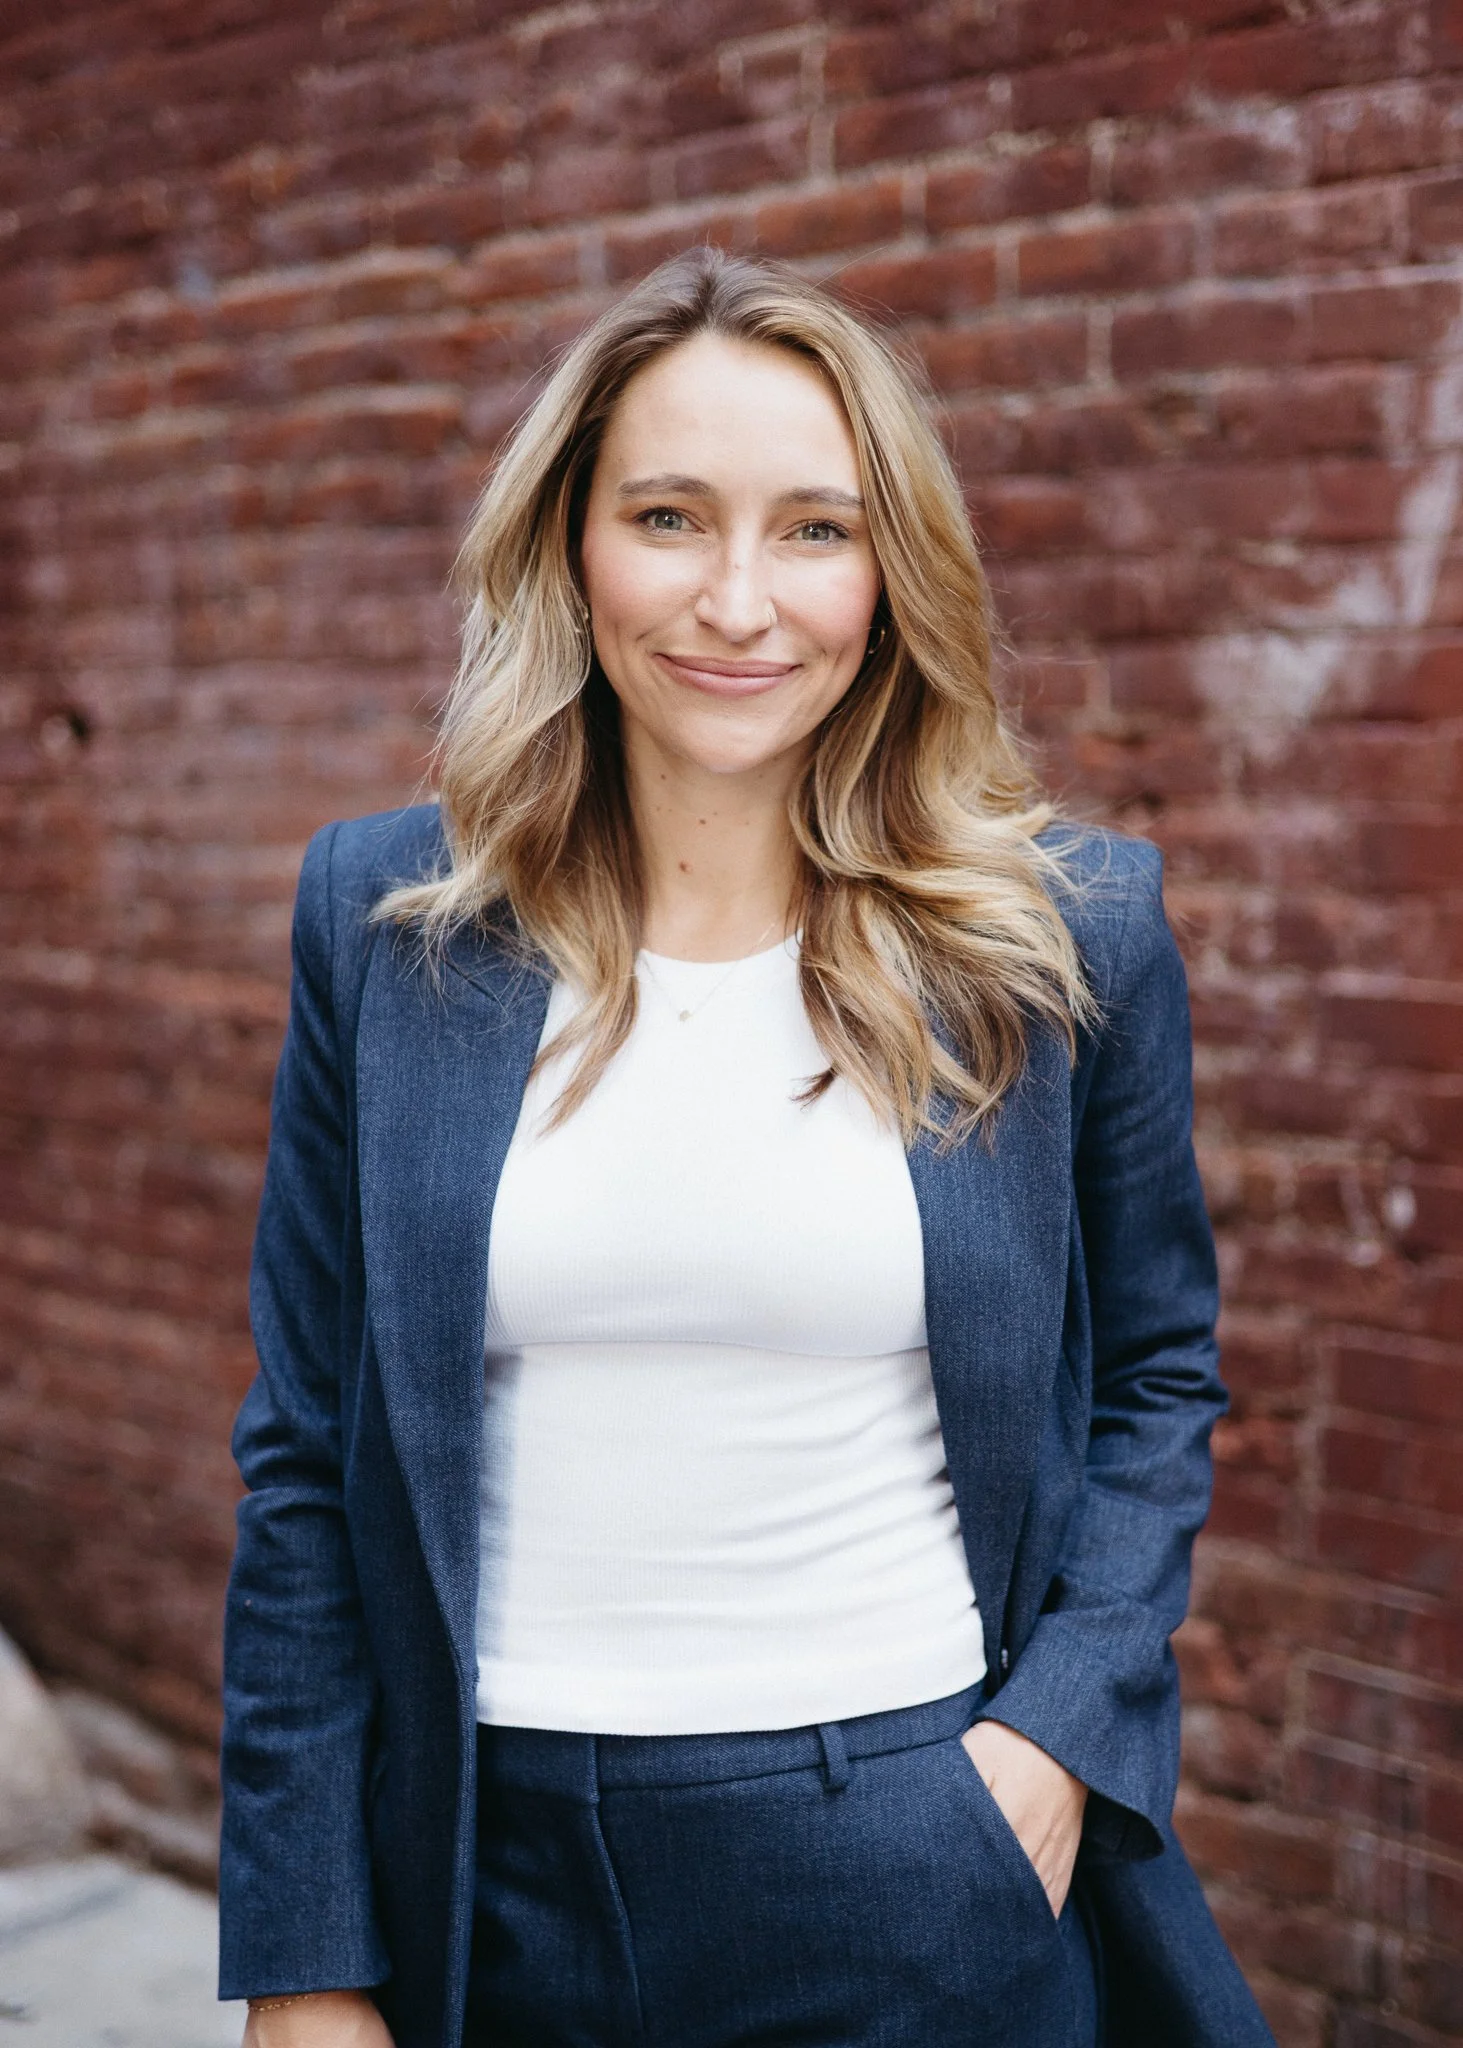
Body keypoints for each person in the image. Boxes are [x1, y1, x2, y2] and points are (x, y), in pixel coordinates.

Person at [219, 248, 1276, 2048]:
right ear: (569, 544)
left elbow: (1158, 1373)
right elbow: (309, 1460)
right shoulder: (387, 927)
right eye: (666, 516)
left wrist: (1051, 1744)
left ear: (892, 571)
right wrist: (308, 1957)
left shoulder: (1062, 935)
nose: (733, 600)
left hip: (908, 1856)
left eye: (812, 530)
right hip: (480, 1870)